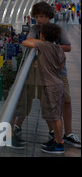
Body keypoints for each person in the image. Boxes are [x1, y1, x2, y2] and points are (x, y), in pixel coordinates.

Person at [17, 1, 80, 148]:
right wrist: (46, 44)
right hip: (41, 73)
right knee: (48, 105)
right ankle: (55, 133)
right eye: (37, 16)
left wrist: (48, 46)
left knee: (66, 101)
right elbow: (28, 40)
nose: (39, 19)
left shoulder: (58, 30)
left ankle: (67, 134)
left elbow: (68, 47)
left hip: (59, 74)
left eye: (43, 16)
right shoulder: (34, 28)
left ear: (49, 16)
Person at [22, 23, 66, 153]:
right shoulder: (59, 49)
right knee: (56, 115)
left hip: (50, 85)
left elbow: (25, 42)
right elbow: (59, 68)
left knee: (55, 116)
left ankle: (59, 144)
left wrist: (39, 41)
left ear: (42, 35)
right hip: (58, 83)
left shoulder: (43, 45)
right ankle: (56, 140)